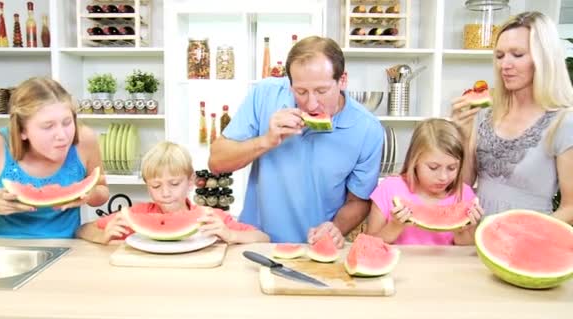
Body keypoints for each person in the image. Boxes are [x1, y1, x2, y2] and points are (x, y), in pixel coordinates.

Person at [209, 36, 383, 246]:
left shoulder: (367, 129)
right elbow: (216, 162)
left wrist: (336, 229)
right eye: (301, 92)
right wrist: (266, 141)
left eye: (321, 91)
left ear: (343, 80)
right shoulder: (264, 94)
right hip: (256, 241)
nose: (311, 104)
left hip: (316, 248)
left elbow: (359, 201)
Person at [451, 11, 573, 221]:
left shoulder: (564, 122)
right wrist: (463, 135)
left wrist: (526, 233)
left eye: (517, 55)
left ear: (543, 58)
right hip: (475, 234)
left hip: (529, 240)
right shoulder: (485, 115)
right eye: (499, 56)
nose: (504, 65)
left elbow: (570, 207)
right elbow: (465, 185)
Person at [0, 77, 109, 238]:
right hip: (4, 252)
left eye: (67, 122)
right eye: (48, 126)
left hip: (67, 251)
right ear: (22, 130)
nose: (62, 135)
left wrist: (90, 194)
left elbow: (102, 192)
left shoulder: (85, 140)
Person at [77, 141, 269, 245]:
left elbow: (262, 238)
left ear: (191, 181)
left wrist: (230, 235)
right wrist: (102, 236)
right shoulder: (135, 215)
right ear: (147, 186)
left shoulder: (211, 218)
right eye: (156, 186)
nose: (166, 193)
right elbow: (82, 229)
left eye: (174, 183)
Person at [365, 119, 483, 245]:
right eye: (433, 167)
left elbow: (466, 250)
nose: (443, 177)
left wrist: (462, 231)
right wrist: (394, 226)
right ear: (415, 161)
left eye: (452, 168)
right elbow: (369, 243)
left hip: (446, 265)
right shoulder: (389, 189)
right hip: (402, 264)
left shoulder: (464, 195)